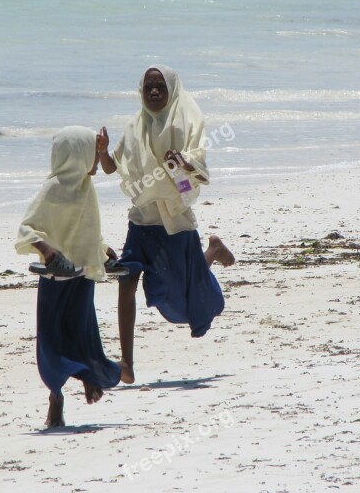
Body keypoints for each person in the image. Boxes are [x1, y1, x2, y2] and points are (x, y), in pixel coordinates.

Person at [98, 65, 235, 384]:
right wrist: (103, 152)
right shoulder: (134, 126)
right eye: (149, 87)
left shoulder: (185, 123)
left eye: (160, 86)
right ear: (141, 92)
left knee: (184, 303)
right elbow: (111, 167)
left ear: (172, 90)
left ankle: (211, 252)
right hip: (141, 220)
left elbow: (196, 178)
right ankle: (127, 363)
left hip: (176, 223)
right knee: (126, 282)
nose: (154, 92)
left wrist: (184, 164)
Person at [15, 126, 121, 427]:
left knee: (81, 332)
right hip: (56, 277)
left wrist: (103, 249)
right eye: (93, 156)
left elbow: (86, 230)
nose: (96, 164)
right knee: (53, 337)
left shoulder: (86, 188)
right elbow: (27, 228)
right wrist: (47, 251)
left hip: (82, 274)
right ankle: (57, 396)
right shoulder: (54, 188)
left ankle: (84, 376)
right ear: (77, 156)